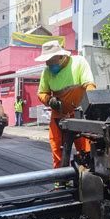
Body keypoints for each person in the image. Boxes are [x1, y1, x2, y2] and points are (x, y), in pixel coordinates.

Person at [36, 40, 96, 168]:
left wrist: (91, 106)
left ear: (61, 56)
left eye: (51, 60)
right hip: (59, 117)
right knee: (57, 151)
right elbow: (41, 93)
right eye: (47, 62)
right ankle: (61, 182)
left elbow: (89, 86)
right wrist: (49, 100)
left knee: (85, 150)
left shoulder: (78, 63)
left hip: (79, 116)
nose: (49, 64)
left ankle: (85, 178)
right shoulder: (47, 72)